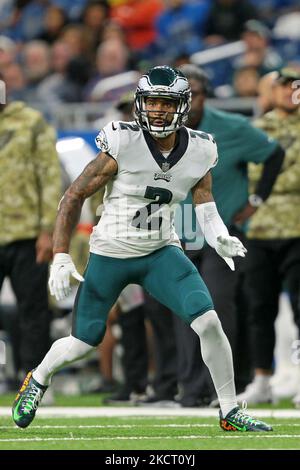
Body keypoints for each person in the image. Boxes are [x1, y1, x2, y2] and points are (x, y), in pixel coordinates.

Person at [12, 65, 271, 432]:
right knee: (83, 341)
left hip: (160, 252)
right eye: (151, 102)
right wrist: (61, 255)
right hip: (110, 253)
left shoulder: (200, 148)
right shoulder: (122, 142)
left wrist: (218, 235)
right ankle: (37, 378)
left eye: (166, 103)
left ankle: (229, 411)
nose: (158, 110)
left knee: (210, 322)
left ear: (181, 106)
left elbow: (205, 203)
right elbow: (72, 197)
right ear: (140, 103)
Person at [172, 64, 284, 407]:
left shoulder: (230, 127)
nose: (190, 103)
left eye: (196, 95)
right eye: (182, 96)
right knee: (183, 309)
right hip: (178, 231)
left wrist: (256, 200)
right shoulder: (162, 129)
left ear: (207, 95)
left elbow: (273, 153)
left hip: (221, 233)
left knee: (218, 306)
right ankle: (189, 389)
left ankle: (223, 388)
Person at [237, 67, 300, 407]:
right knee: (259, 308)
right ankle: (262, 380)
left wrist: (274, 177)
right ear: (271, 91)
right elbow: (251, 175)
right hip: (260, 230)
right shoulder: (258, 128)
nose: (290, 91)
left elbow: (268, 177)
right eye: (284, 86)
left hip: (297, 228)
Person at [0, 79, 62, 380]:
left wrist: (47, 231)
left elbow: (50, 176)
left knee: (34, 310)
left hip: (27, 233)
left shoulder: (31, 121)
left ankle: (33, 377)